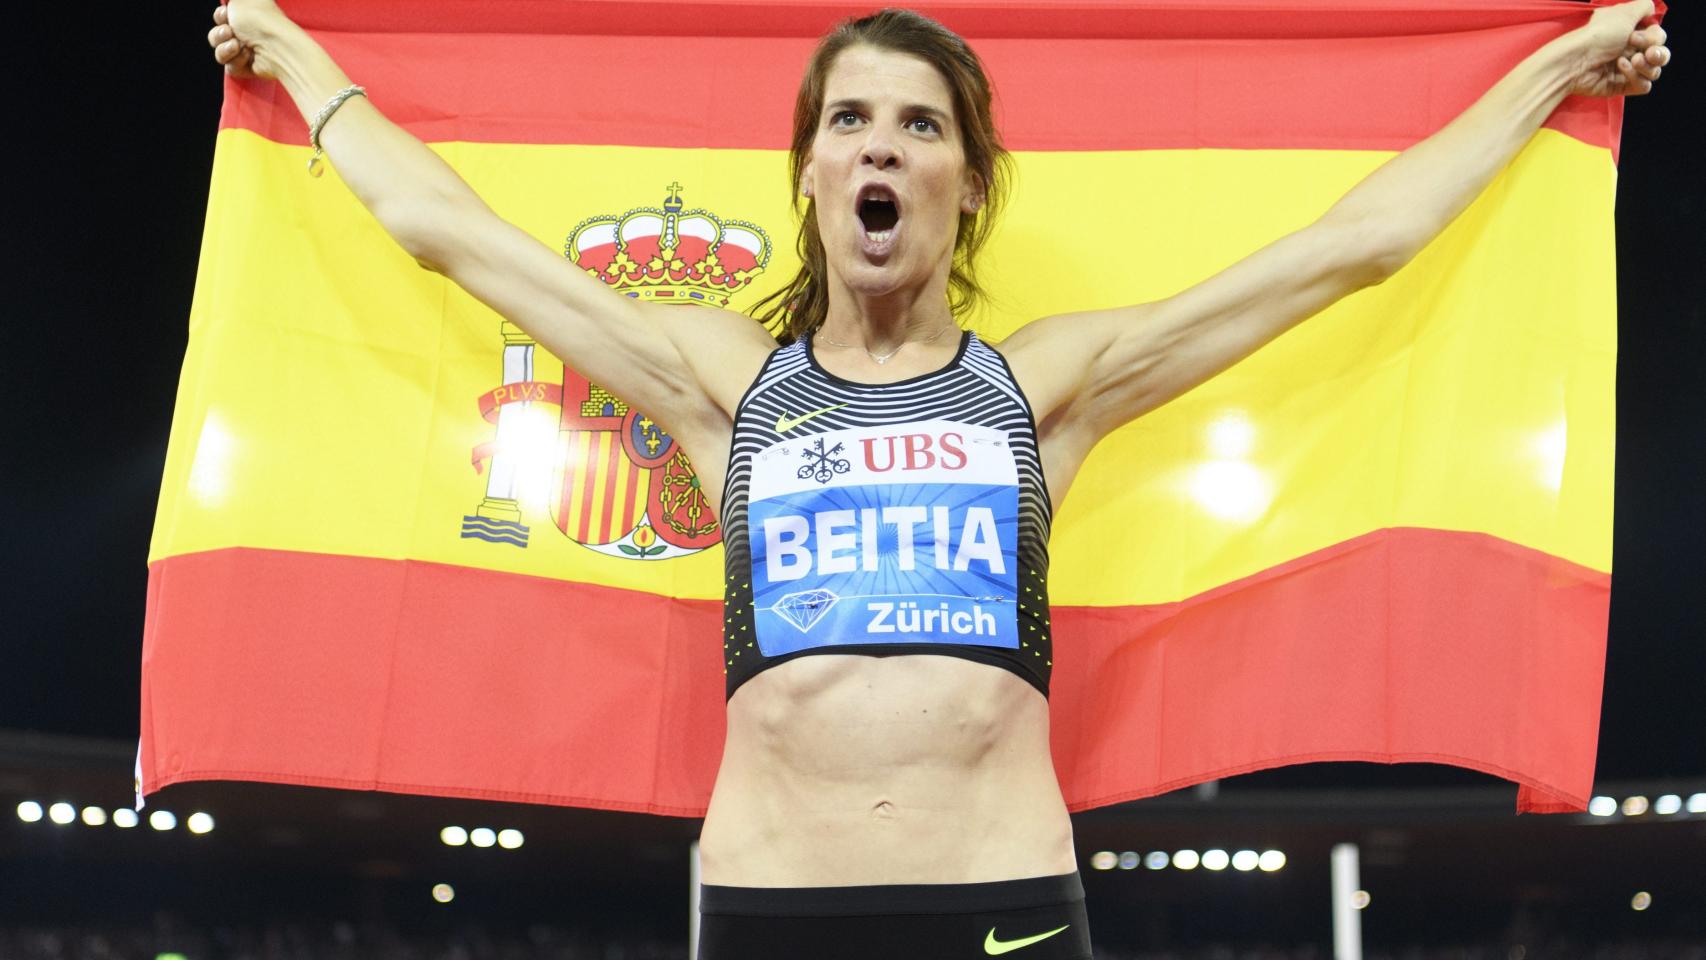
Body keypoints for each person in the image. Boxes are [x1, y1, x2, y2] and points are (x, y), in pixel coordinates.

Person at [207, 3, 1669, 957]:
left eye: (919, 124)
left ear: (966, 180)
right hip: (771, 902)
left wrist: (1552, 68)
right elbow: (455, 237)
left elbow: (1349, 249)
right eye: (850, 120)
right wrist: (296, 58)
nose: (880, 146)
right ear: (809, 175)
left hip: (1005, 897)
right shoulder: (729, 383)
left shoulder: (1043, 387)